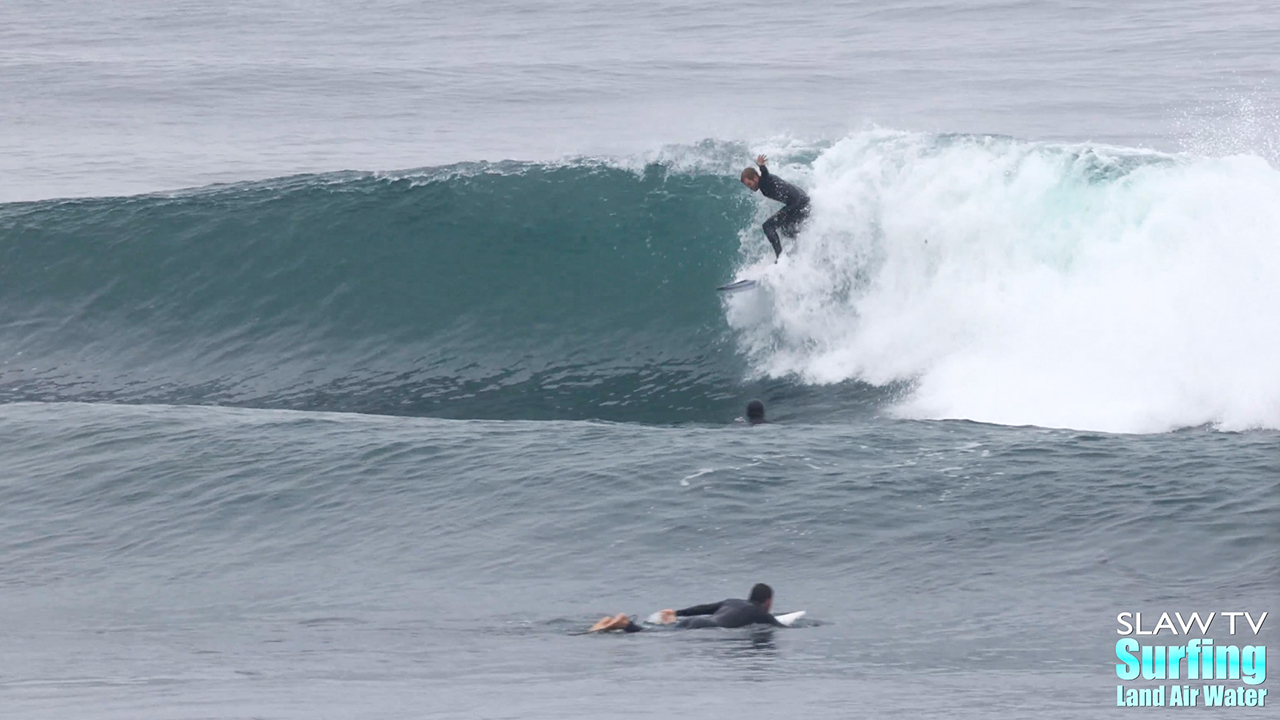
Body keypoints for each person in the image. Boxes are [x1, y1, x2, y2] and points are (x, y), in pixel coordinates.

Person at [589, 583, 784, 632]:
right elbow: (780, 627)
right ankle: (624, 624)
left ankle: (616, 624)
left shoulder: (733, 601)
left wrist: (678, 612)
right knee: (657, 636)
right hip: (706, 628)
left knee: (658, 632)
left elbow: (703, 608)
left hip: (697, 621)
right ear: (767, 601)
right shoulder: (761, 613)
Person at [740, 155, 810, 258]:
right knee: (785, 227)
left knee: (768, 226)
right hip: (802, 200)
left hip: (797, 203)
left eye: (749, 184)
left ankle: (780, 257)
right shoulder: (765, 181)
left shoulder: (764, 182)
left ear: (755, 178)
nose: (750, 188)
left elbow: (765, 175)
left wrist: (761, 166)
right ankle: (802, 248)